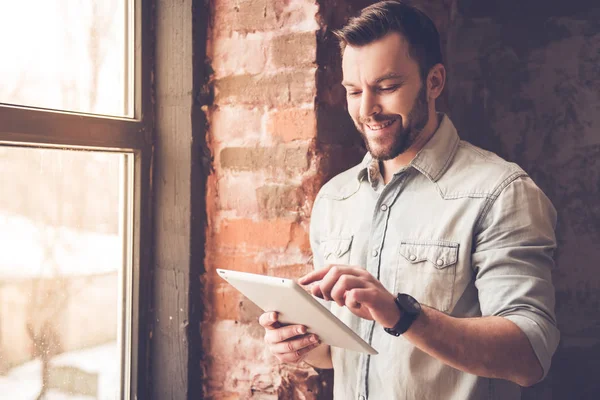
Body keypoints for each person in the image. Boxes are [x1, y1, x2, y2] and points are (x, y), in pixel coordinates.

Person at [259, 1, 559, 399]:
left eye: (386, 87)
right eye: (353, 91)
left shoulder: (502, 192)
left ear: (434, 82)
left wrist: (403, 316)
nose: (367, 109)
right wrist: (300, 343)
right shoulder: (335, 198)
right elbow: (342, 354)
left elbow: (529, 357)